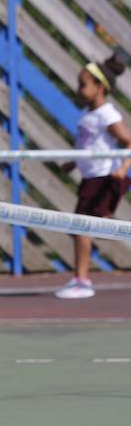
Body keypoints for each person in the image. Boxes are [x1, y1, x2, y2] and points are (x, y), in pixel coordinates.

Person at [56, 53, 130, 299]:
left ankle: (82, 280)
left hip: (104, 179)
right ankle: (81, 278)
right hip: (90, 179)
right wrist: (73, 163)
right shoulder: (87, 114)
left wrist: (123, 167)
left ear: (100, 87)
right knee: (82, 228)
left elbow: (128, 142)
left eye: (83, 84)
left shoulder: (107, 115)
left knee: (81, 228)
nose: (78, 89)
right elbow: (88, 147)